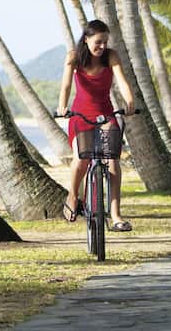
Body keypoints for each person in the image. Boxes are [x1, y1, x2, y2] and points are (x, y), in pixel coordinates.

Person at [55, 19, 138, 231]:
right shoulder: (74, 57)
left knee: (112, 160)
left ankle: (116, 215)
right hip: (80, 115)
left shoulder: (111, 56)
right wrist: (62, 107)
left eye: (105, 42)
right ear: (86, 39)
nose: (102, 46)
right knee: (81, 160)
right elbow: (66, 86)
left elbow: (122, 81)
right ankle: (73, 196)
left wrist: (130, 102)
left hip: (105, 114)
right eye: (98, 42)